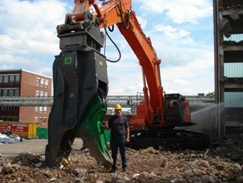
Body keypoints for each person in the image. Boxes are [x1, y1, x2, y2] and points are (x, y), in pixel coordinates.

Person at [108, 104, 130, 172]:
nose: (118, 111)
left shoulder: (124, 118)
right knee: (113, 154)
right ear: (115, 111)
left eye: (119, 110)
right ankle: (113, 167)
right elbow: (108, 127)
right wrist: (105, 126)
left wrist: (127, 137)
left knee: (123, 153)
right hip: (113, 139)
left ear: (121, 110)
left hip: (122, 138)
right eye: (116, 110)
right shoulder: (112, 118)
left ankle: (124, 167)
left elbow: (127, 128)